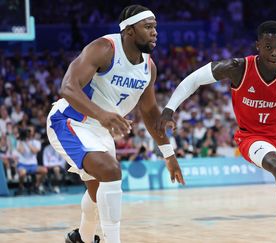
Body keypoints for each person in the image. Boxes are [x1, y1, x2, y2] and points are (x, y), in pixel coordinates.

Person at [157, 21, 276, 243]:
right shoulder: (238, 68)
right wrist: (170, 109)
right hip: (251, 136)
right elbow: (194, 80)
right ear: (258, 45)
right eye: (268, 47)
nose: (274, 53)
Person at [46, 5, 185, 243]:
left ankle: (82, 238)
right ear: (129, 31)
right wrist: (101, 114)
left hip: (101, 129)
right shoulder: (104, 48)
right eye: (148, 27)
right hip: (71, 120)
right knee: (111, 172)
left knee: (97, 193)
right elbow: (68, 87)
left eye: (155, 27)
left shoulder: (148, 67)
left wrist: (169, 154)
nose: (155, 33)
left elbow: (150, 112)